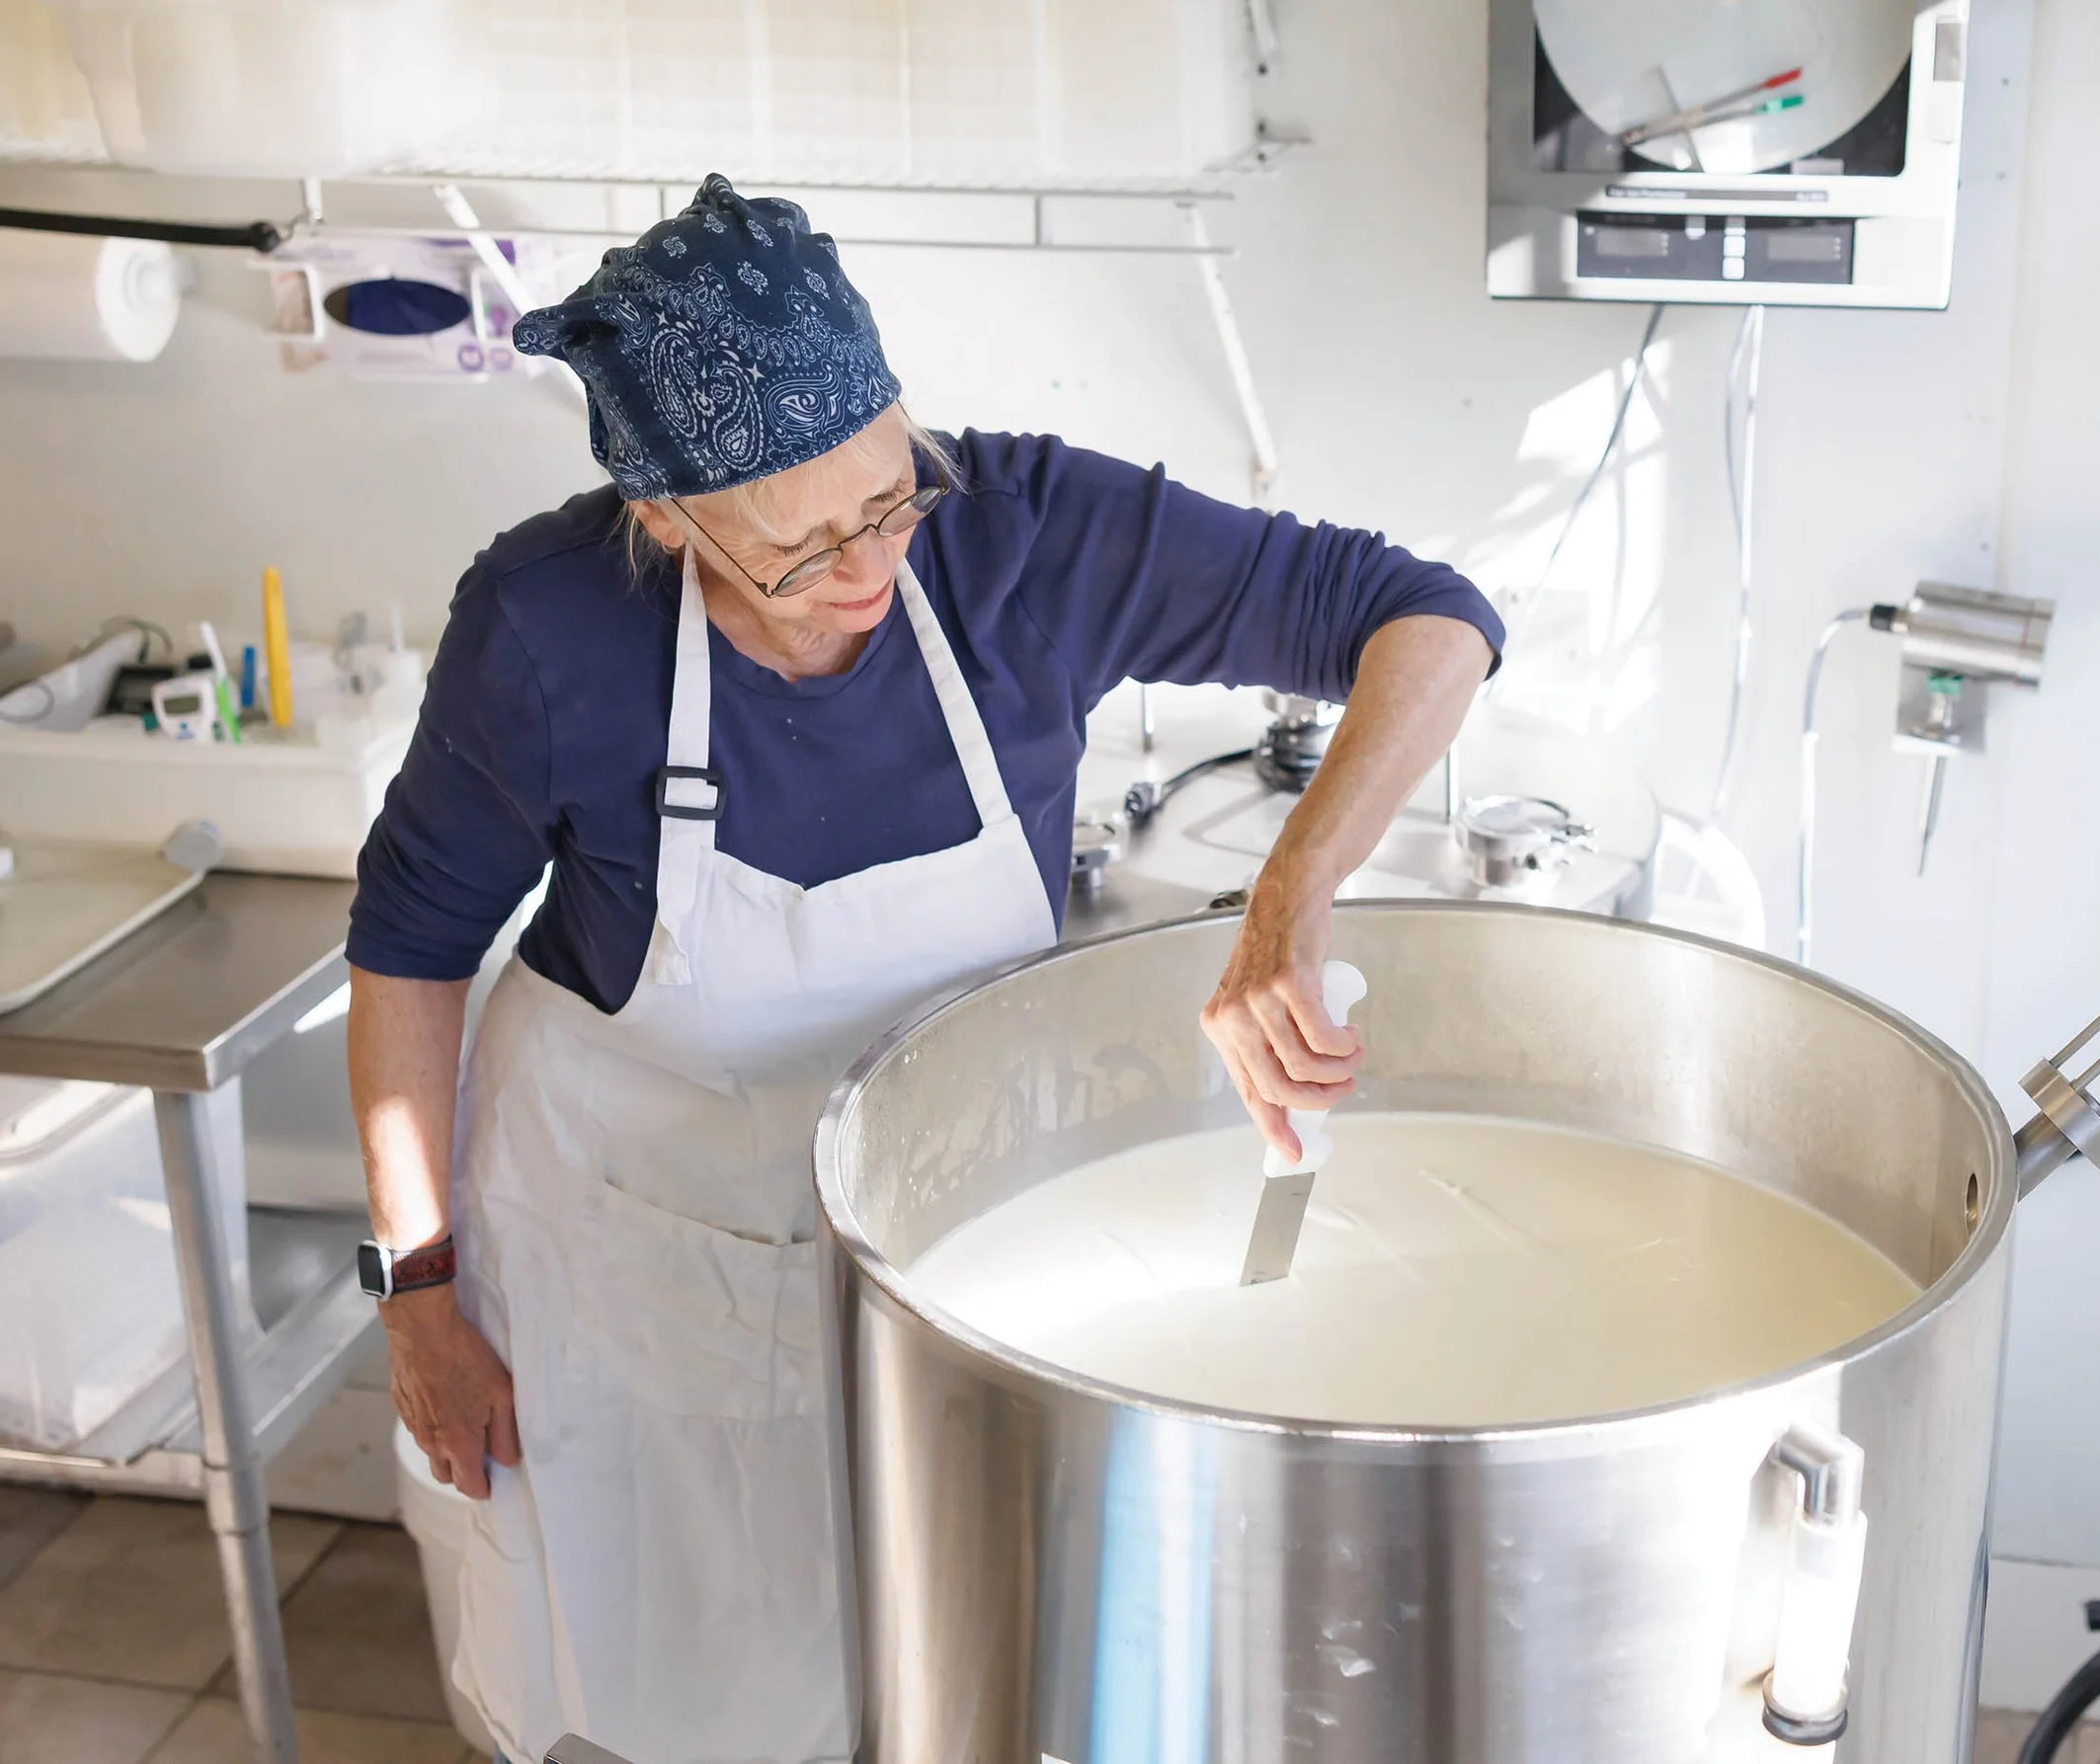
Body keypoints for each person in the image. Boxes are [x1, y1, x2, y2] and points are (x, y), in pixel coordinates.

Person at [346, 174, 1500, 1764]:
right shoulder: (548, 630)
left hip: (931, 1251)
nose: (864, 568)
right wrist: (417, 1289)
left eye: (885, 498)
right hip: (622, 1270)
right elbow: (410, 940)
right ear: (667, 519)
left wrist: (1289, 893)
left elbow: (1427, 620)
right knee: (650, 1694)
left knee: (937, 1686)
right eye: (797, 545)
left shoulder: (1018, 537)